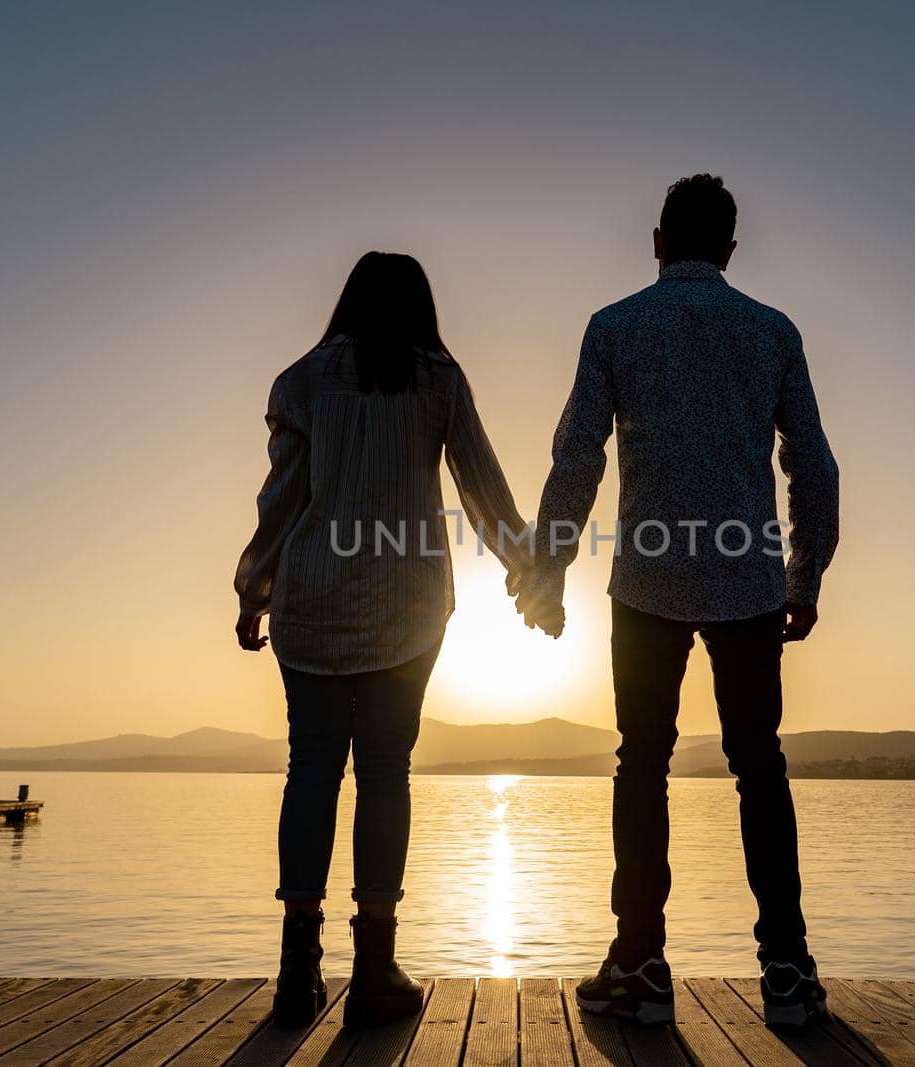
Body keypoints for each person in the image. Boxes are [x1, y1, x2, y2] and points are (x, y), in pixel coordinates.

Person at [517, 175, 840, 1030]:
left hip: (649, 582)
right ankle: (787, 970)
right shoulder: (772, 332)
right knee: (758, 764)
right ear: (730, 250)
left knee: (641, 762)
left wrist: (547, 568)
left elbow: (576, 456)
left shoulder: (615, 327)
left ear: (657, 241)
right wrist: (805, 578)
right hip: (747, 585)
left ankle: (640, 963)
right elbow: (814, 466)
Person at [234, 252, 543, 1029]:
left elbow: (282, 499)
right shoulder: (438, 379)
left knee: (311, 770)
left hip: (309, 596)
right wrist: (526, 570)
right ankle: (374, 973)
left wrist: (253, 587)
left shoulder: (301, 381)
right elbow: (481, 485)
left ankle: (295, 976)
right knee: (384, 773)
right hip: (408, 608)